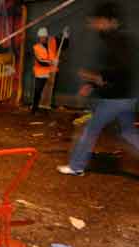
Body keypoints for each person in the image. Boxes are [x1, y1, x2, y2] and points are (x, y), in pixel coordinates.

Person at [57, 1, 139, 176]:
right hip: (127, 96)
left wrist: (95, 78)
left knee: (89, 130)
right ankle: (76, 166)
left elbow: (120, 69)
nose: (95, 25)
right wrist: (92, 83)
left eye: (98, 21)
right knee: (128, 132)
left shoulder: (117, 41)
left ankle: (76, 166)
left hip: (115, 98)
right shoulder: (119, 39)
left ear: (109, 20)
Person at [32, 26, 69, 114]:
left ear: (47, 36)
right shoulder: (36, 47)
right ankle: (34, 108)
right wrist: (52, 62)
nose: (42, 39)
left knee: (50, 91)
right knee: (38, 90)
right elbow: (40, 61)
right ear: (38, 38)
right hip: (41, 72)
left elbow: (64, 45)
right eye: (41, 37)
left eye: (44, 37)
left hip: (52, 71)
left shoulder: (53, 41)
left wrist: (66, 37)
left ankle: (46, 109)